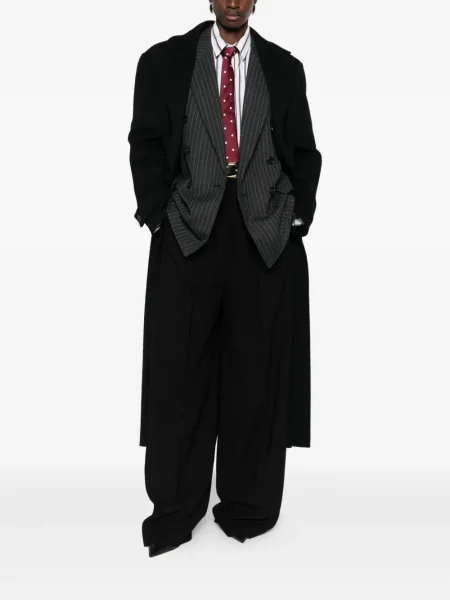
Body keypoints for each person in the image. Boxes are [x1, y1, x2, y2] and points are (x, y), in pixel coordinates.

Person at [127, 0, 322, 557]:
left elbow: (304, 151)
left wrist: (295, 214)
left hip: (263, 230)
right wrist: (160, 216)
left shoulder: (285, 68)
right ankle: (175, 506)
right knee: (179, 371)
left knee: (256, 371)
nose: (233, 1)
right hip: (188, 225)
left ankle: (249, 504)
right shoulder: (162, 62)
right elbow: (145, 143)